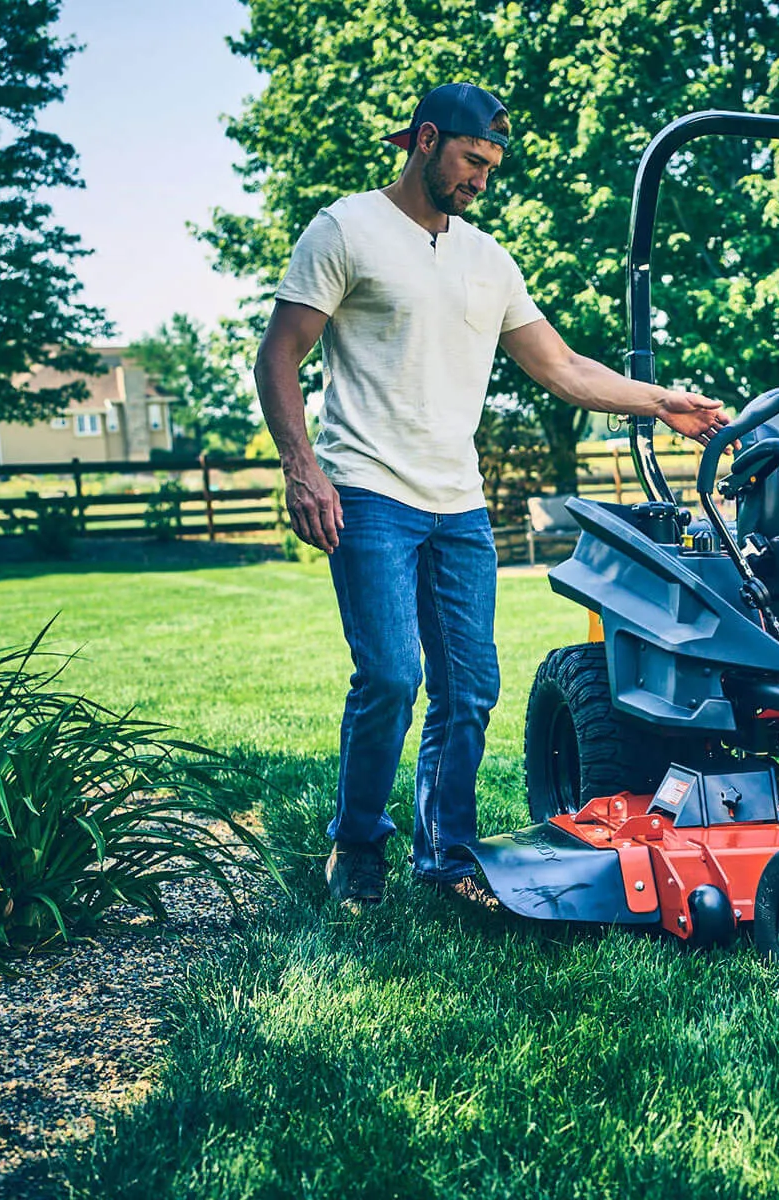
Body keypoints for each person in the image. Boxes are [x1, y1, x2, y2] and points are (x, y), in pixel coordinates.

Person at [254, 82, 726, 910]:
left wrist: (661, 401)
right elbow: (279, 353)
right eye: (472, 160)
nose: (481, 179)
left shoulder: (487, 258)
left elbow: (564, 369)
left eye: (491, 167)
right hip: (366, 489)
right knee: (393, 678)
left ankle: (446, 853)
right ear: (426, 140)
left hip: (458, 503)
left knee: (470, 687)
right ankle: (357, 842)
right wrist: (302, 466)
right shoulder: (345, 228)